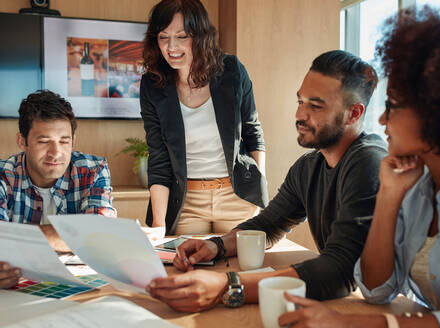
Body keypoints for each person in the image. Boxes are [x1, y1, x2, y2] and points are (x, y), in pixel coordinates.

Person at [277, 7, 440, 328]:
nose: (382, 119)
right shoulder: (418, 183)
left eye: (393, 105)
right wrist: (388, 194)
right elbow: (376, 289)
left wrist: (349, 325)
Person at [145, 50, 388, 312]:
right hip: (340, 302)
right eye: (300, 101)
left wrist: (227, 285)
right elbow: (268, 224)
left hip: (375, 309)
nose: (300, 115)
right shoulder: (309, 167)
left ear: (354, 114)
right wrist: (214, 246)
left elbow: (340, 270)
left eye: (315, 106)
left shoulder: (369, 162)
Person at [140, 0, 268, 237]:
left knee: (239, 268)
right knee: (187, 266)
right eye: (163, 37)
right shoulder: (152, 85)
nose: (171, 47)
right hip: (188, 202)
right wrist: (159, 224)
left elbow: (252, 133)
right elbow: (158, 157)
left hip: (236, 196)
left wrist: (257, 192)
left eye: (182, 36)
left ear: (200, 36)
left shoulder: (231, 70)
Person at [0, 90, 117, 289]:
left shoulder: (92, 170)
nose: (56, 153)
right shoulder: (4, 175)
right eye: (44, 142)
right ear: (22, 141)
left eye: (64, 141)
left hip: (79, 288)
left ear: (73, 140)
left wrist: (14, 239)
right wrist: (73, 234)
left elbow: (99, 235)